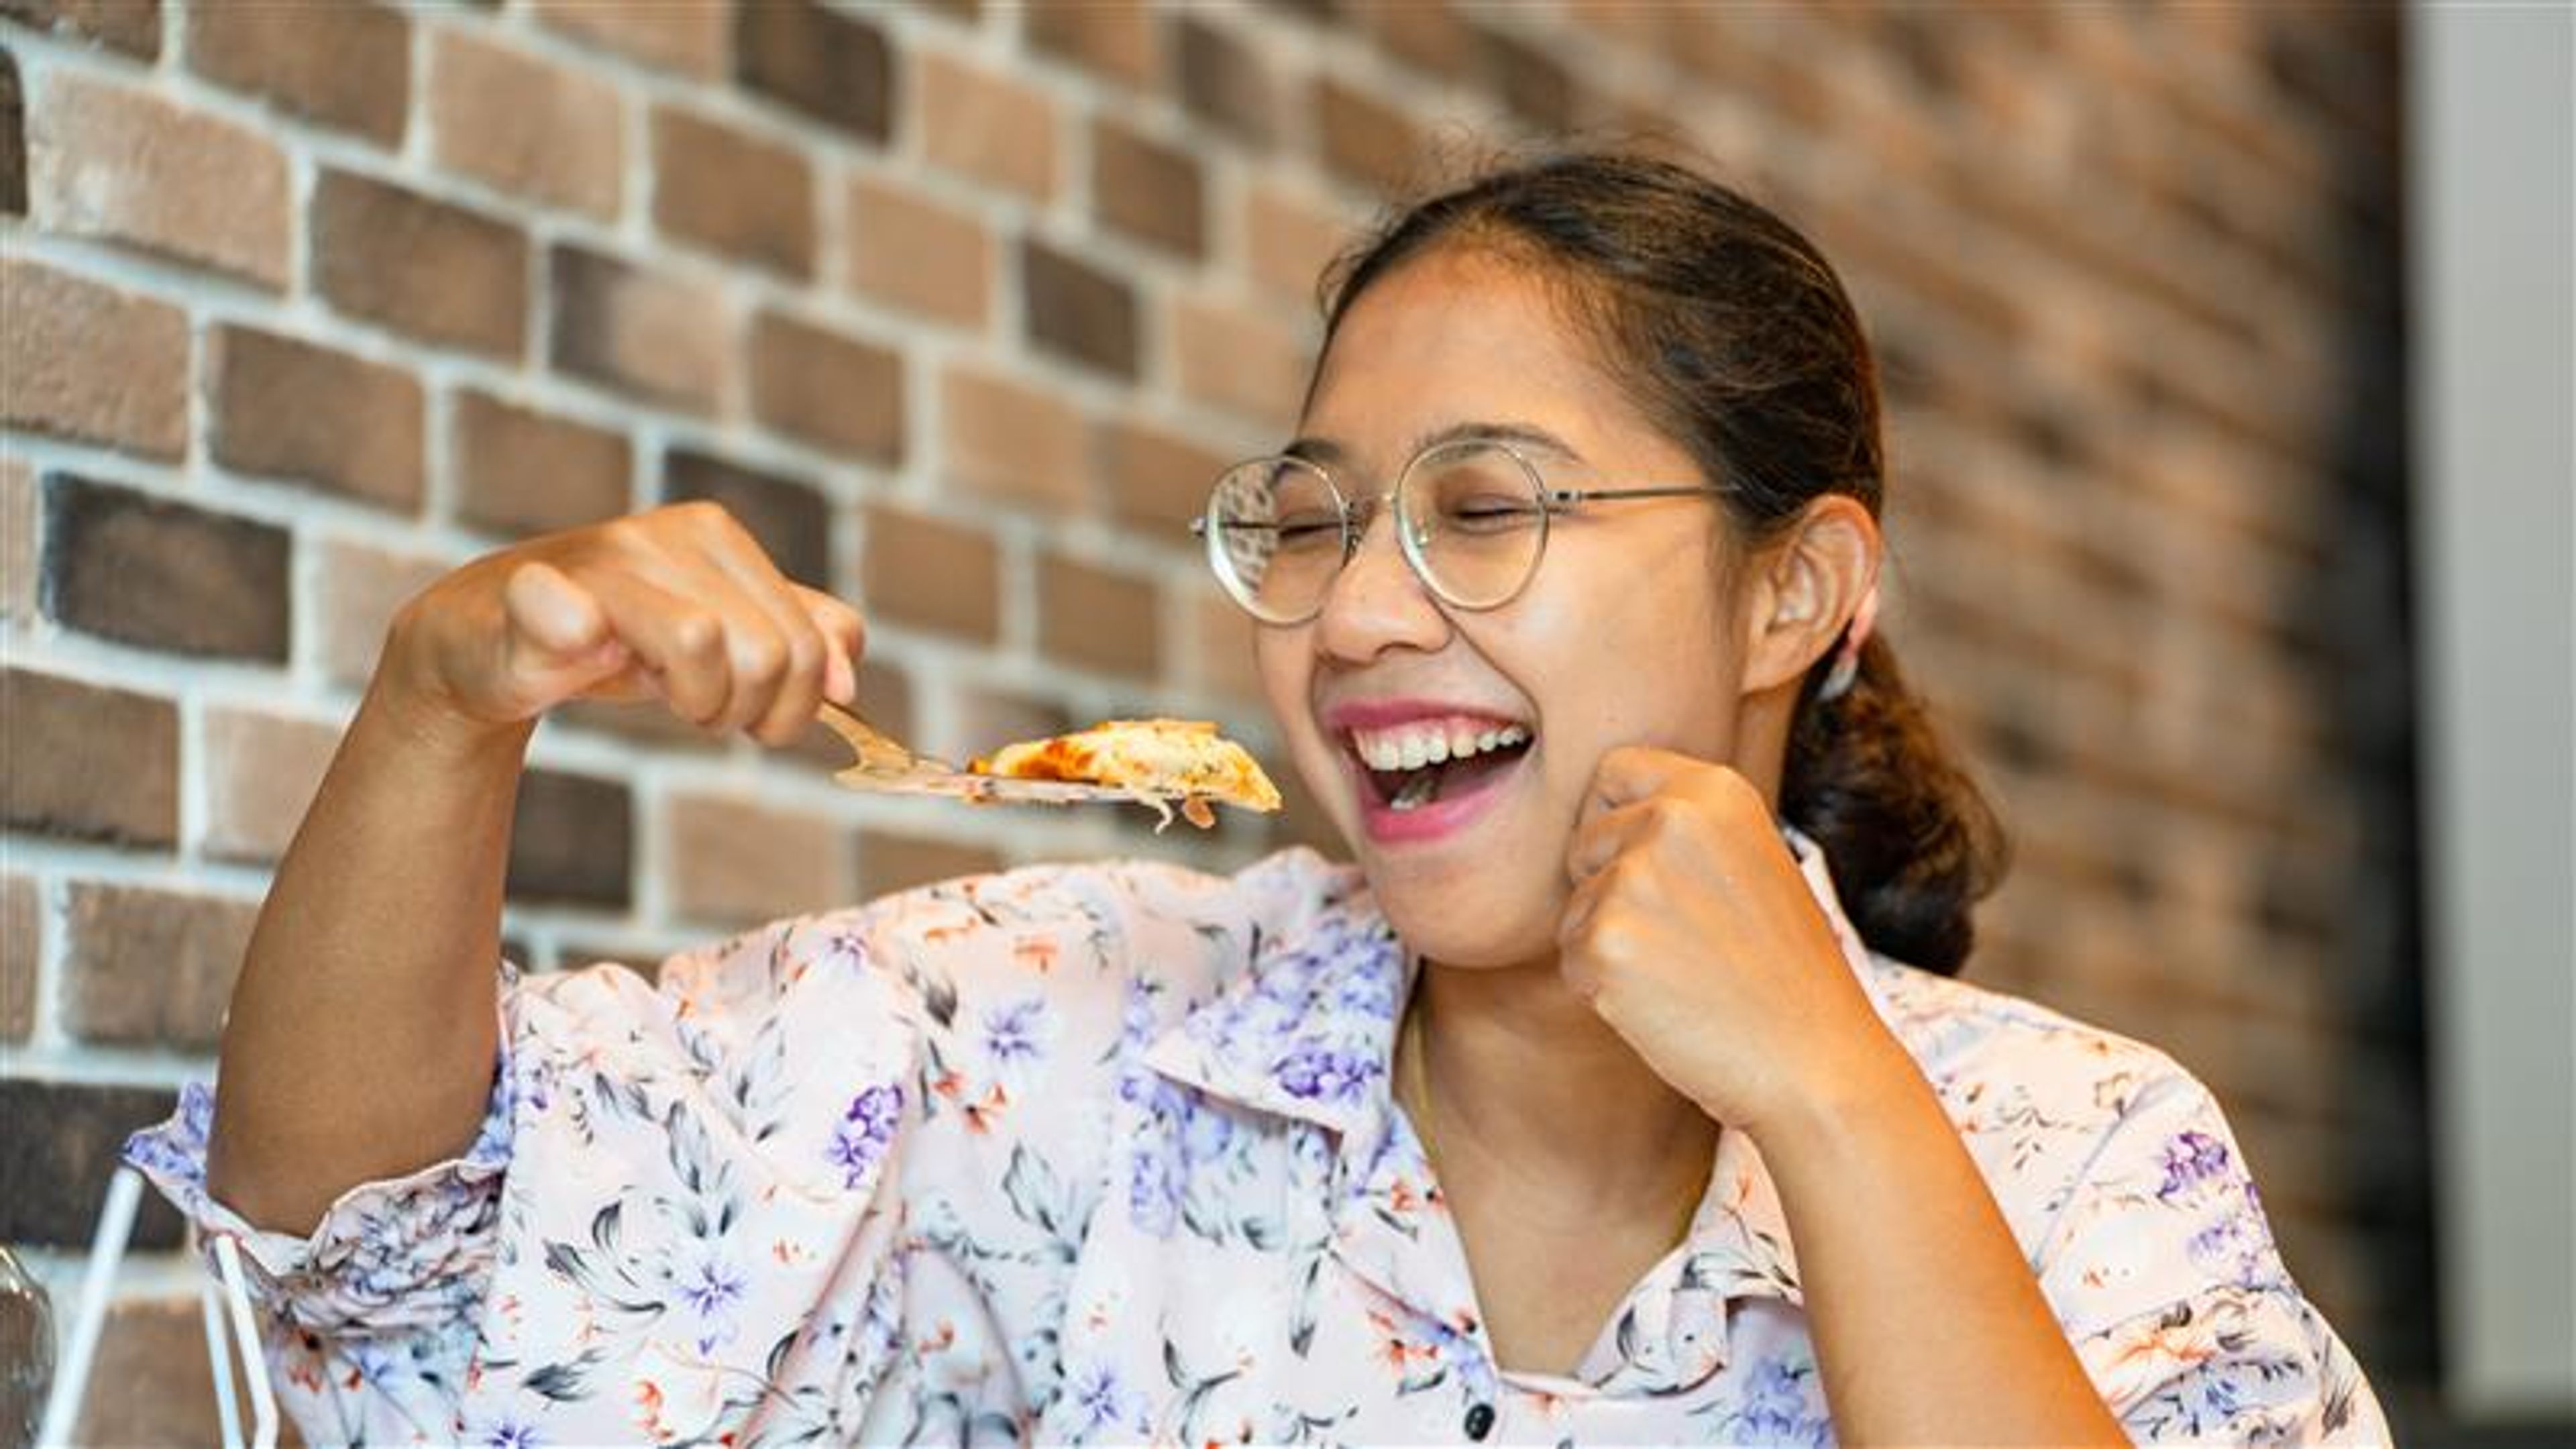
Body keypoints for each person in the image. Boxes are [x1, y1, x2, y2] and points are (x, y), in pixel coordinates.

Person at [127, 150, 2387, 1445]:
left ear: (1799, 586)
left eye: (1488, 506)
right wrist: (444, 709)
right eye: (1311, 518)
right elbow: (378, 1257)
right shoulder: (1060, 1036)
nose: (1363, 616)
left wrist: (1827, 1087)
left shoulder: (2083, 1158)